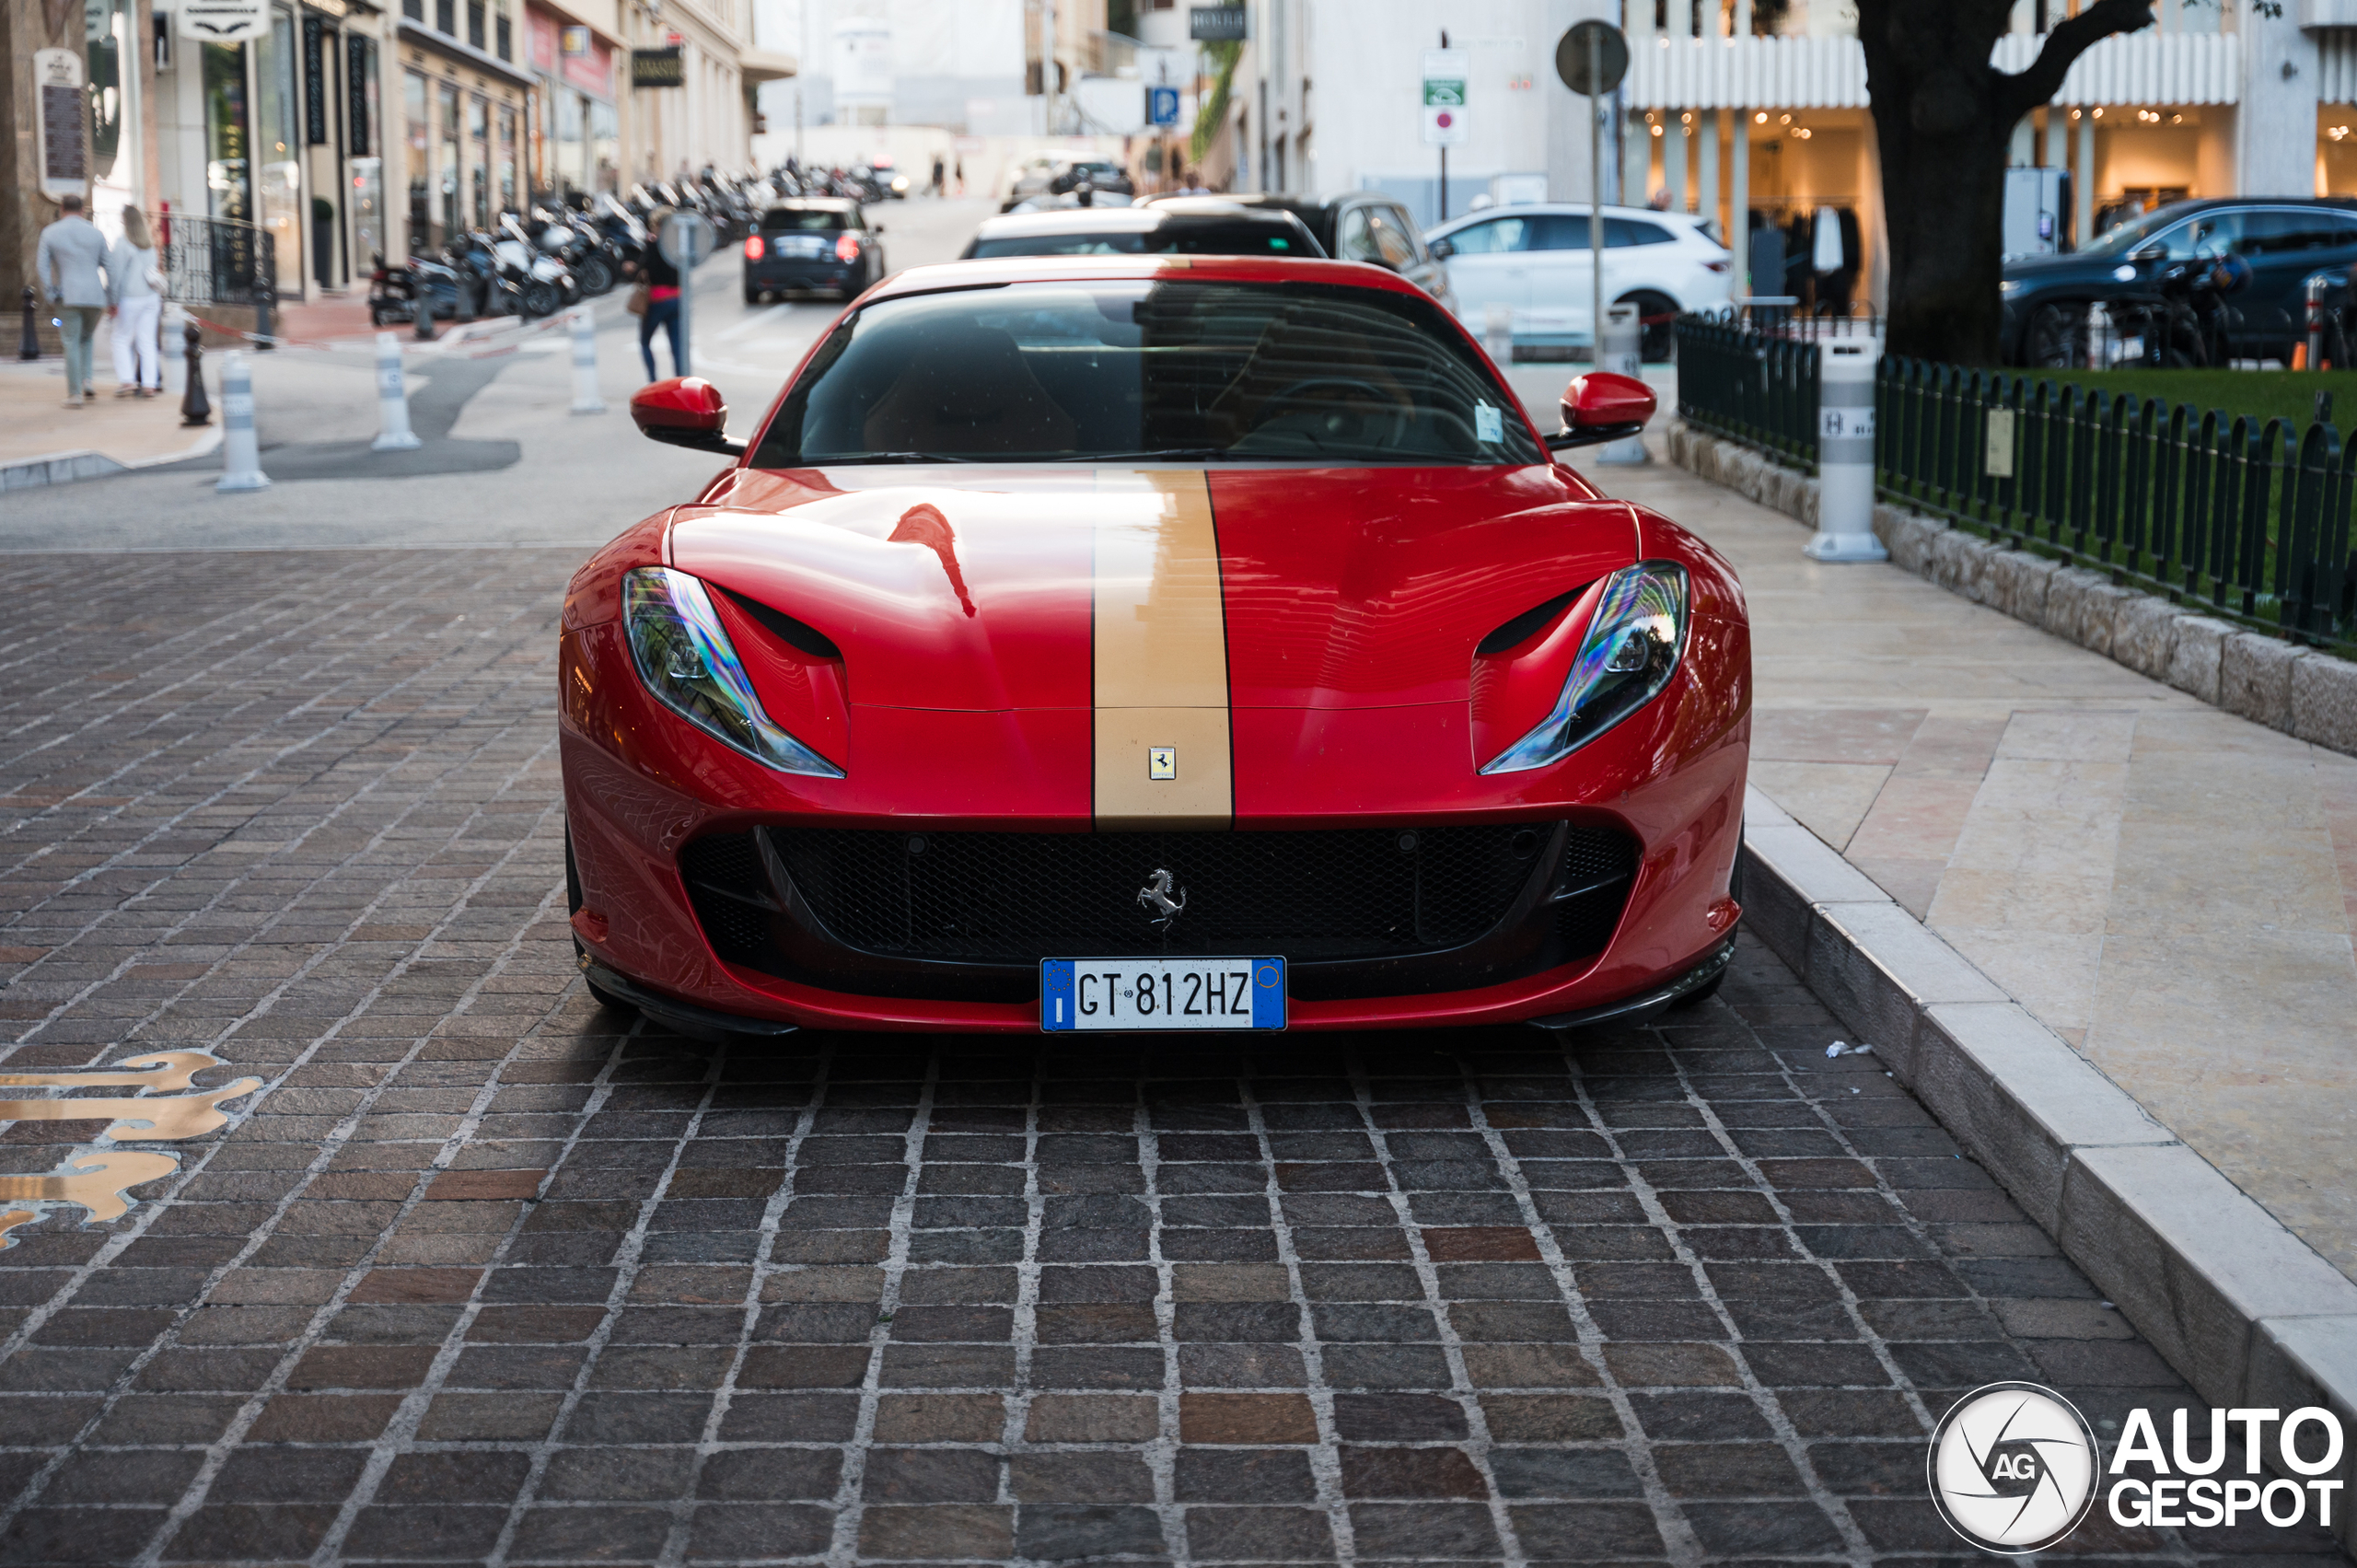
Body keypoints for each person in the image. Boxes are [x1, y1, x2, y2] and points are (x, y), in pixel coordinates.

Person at [36, 193, 112, 408]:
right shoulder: (96, 233)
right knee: (86, 338)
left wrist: (49, 293)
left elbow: (41, 268)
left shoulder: (50, 233)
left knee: (71, 342)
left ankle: (74, 394)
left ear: (62, 209)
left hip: (67, 296)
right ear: (82, 210)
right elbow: (110, 266)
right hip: (95, 297)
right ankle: (87, 380)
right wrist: (111, 296)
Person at [108, 206, 165, 399]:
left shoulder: (122, 244)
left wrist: (112, 300)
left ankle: (127, 381)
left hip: (130, 298)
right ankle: (150, 384)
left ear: (125, 222)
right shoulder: (149, 245)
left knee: (120, 338)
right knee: (147, 341)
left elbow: (115, 276)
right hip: (151, 298)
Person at [636, 208, 683, 380]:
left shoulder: (653, 245)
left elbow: (644, 269)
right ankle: (681, 382)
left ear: (656, 225)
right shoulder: (679, 245)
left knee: (645, 342)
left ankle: (653, 381)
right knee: (677, 346)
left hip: (657, 299)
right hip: (677, 299)